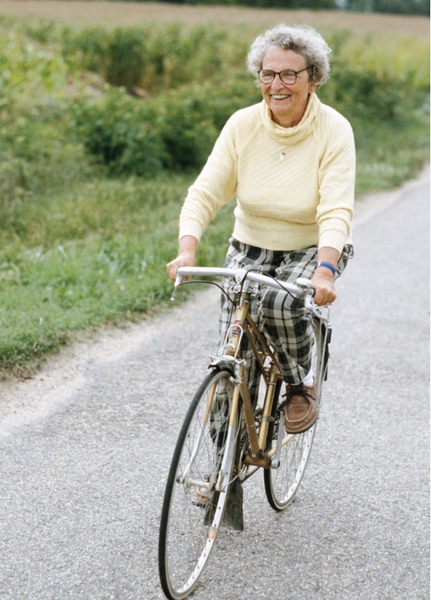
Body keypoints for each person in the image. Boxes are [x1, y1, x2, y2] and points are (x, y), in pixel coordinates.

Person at [167, 23, 355, 435]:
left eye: (289, 74)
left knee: (279, 303)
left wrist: (325, 270)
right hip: (249, 245)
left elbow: (336, 209)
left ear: (313, 79)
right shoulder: (243, 125)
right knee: (231, 360)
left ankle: (299, 382)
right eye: (268, 74)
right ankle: (226, 463)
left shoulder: (334, 129)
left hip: (311, 246)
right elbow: (204, 193)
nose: (277, 85)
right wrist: (186, 250)